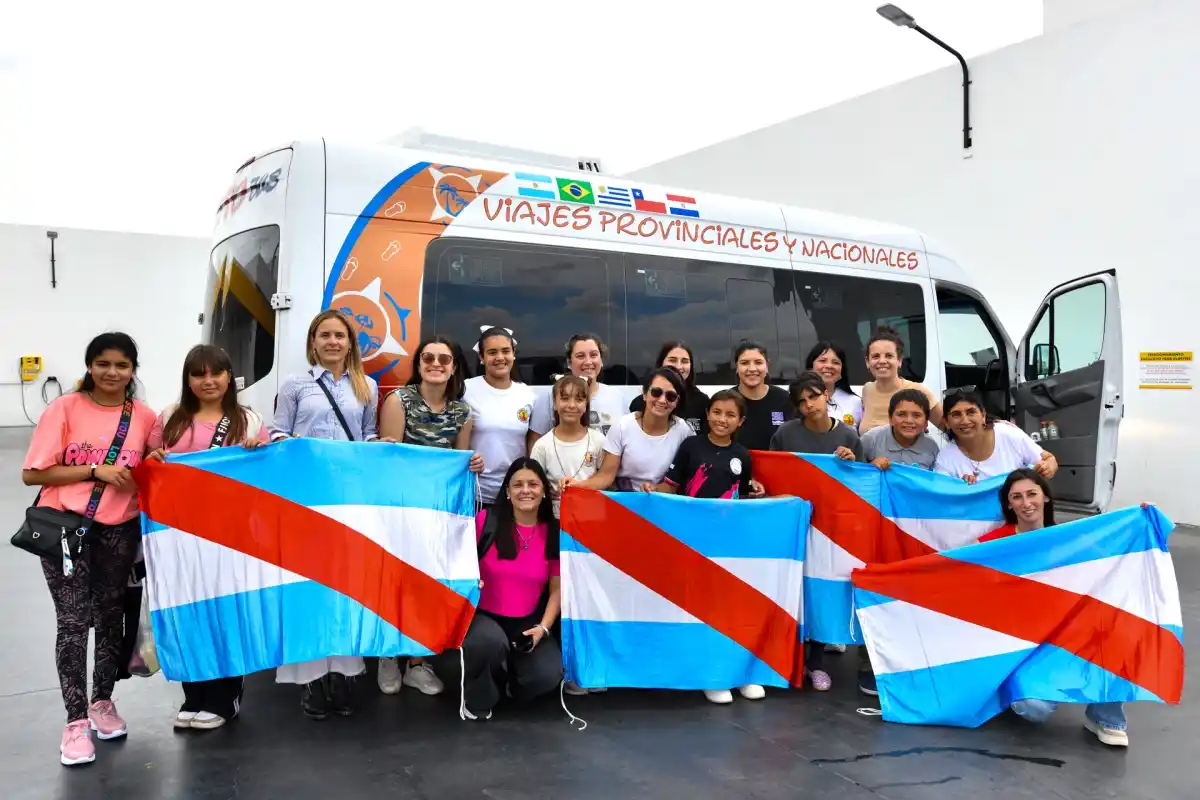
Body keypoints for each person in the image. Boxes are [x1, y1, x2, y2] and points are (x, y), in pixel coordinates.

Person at [21, 332, 157, 766]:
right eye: (104, 364)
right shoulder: (64, 409)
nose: (112, 372)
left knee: (111, 620)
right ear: (90, 366)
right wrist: (95, 469)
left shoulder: (145, 416)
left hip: (120, 531)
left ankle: (102, 701)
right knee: (74, 622)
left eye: (121, 365)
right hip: (66, 529)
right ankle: (75, 722)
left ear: (133, 370)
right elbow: (33, 474)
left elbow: (157, 467)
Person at [146, 344, 269, 730]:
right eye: (198, 374)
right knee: (187, 613)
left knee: (225, 614)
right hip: (177, 536)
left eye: (215, 373)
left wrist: (258, 452)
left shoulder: (248, 421)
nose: (208, 381)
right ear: (188, 380)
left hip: (230, 537)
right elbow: (147, 464)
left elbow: (268, 481)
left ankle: (224, 698)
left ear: (229, 377)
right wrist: (153, 461)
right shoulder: (169, 418)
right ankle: (193, 696)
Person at [270, 309, 384, 720]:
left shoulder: (366, 385)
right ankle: (311, 679)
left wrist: (379, 445)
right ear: (313, 342)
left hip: (349, 500)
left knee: (347, 586)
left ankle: (345, 674)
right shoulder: (296, 384)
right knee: (310, 586)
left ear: (351, 343)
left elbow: (367, 435)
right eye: (325, 335)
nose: (333, 342)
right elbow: (277, 433)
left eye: (340, 335)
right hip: (307, 500)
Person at [377, 335, 484, 698]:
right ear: (419, 364)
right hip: (401, 509)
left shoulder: (462, 412)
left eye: (444, 359)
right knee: (395, 582)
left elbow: (460, 460)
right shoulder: (399, 400)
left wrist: (473, 463)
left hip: (439, 514)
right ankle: (388, 655)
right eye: (428, 358)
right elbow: (389, 459)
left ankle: (418, 663)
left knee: (427, 585)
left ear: (454, 366)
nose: (436, 364)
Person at [649, 389, 766, 703]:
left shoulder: (743, 455)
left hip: (727, 547)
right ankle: (709, 675)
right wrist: (651, 492)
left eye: (730, 415)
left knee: (730, 609)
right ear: (707, 415)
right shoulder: (691, 446)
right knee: (701, 610)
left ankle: (737, 672)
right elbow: (670, 487)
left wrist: (755, 493)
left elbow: (741, 496)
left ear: (741, 420)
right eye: (716, 412)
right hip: (692, 543)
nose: (722, 420)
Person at [1000, 468, 1130, 747]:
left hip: (1061, 639)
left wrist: (1139, 521)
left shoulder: (1068, 540)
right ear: (1009, 504)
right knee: (1032, 708)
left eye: (1032, 494)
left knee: (1114, 631)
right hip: (1015, 648)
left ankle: (1105, 717)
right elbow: (959, 575)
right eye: (1017, 497)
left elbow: (1112, 557)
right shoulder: (994, 544)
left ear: (1045, 497)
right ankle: (1011, 690)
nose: (1026, 503)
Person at [768, 370, 863, 692]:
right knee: (795, 590)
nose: (809, 405)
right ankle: (789, 659)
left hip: (833, 528)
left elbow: (861, 485)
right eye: (802, 401)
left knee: (824, 589)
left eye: (813, 396)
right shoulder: (785, 434)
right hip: (795, 524)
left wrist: (852, 462)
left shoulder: (849, 436)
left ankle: (817, 662)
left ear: (827, 395)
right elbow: (773, 475)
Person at [461, 458, 564, 720]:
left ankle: (509, 685)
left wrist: (543, 628)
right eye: (517, 484)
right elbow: (458, 563)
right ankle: (478, 698)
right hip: (482, 615)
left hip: (527, 619)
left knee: (548, 674)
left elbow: (557, 590)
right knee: (489, 643)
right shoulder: (486, 521)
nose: (525, 490)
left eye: (532, 484)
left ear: (544, 491)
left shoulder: (553, 532)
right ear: (507, 491)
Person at [564, 368, 694, 493]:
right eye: (656, 392)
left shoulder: (683, 431)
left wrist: (656, 489)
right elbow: (606, 476)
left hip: (663, 504)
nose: (662, 400)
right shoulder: (622, 426)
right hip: (625, 504)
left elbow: (685, 477)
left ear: (677, 401)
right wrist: (577, 485)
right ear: (644, 394)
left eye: (670, 396)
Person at [463, 327, 535, 510]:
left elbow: (531, 446)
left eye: (505, 351)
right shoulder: (465, 390)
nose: (500, 357)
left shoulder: (527, 394)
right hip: (476, 494)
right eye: (492, 352)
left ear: (514, 354)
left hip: (516, 494)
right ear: (481, 357)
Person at [934, 390, 1058, 484]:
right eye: (956, 415)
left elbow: (1048, 459)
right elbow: (944, 494)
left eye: (971, 412)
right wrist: (960, 487)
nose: (965, 420)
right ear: (946, 422)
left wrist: (1048, 466)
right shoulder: (945, 457)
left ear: (983, 415)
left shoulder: (1008, 434)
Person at [527, 333, 625, 448]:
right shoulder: (550, 396)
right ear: (569, 362)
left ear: (601, 360)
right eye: (580, 356)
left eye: (594, 355)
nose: (588, 362)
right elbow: (535, 442)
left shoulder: (617, 397)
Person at [529, 375, 606, 518]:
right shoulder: (542, 445)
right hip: (556, 520)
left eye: (579, 399)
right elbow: (535, 482)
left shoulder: (598, 441)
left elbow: (606, 478)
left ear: (586, 404)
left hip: (592, 518)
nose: (571, 405)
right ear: (554, 403)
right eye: (565, 398)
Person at [858, 326, 942, 433]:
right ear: (867, 362)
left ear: (899, 361)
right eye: (876, 356)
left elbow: (947, 427)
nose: (882, 361)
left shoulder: (917, 391)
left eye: (889, 356)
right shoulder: (867, 390)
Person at [630, 341, 710, 435]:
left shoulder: (702, 402)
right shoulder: (640, 403)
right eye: (672, 360)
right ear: (661, 363)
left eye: (684, 361)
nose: (679, 366)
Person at [730, 341, 792, 451]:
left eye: (758, 362)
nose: (752, 369)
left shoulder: (784, 399)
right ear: (736, 367)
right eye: (744, 363)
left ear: (767, 366)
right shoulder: (726, 400)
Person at [861, 388, 941, 472]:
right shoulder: (871, 440)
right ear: (890, 418)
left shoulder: (931, 447)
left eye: (916, 415)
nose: (909, 421)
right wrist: (870, 466)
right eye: (901, 414)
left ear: (926, 422)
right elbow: (853, 473)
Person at [806, 341, 863, 430]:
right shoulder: (799, 401)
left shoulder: (856, 402)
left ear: (842, 371)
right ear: (811, 366)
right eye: (822, 361)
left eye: (835, 362)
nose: (829, 366)